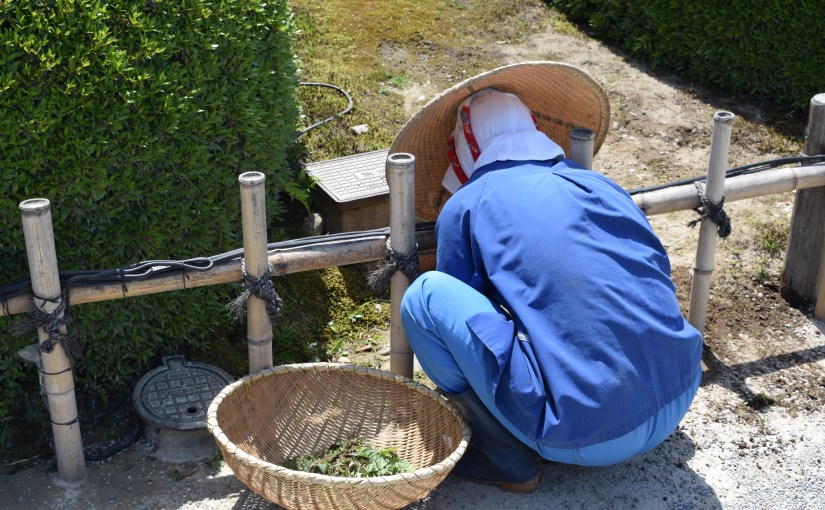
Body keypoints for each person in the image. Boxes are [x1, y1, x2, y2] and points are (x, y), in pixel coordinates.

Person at [389, 62, 703, 493]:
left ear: (466, 148)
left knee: (425, 296)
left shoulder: (467, 205)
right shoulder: (601, 184)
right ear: (533, 131)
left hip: (587, 435)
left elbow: (464, 307)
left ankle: (504, 455)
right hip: (680, 391)